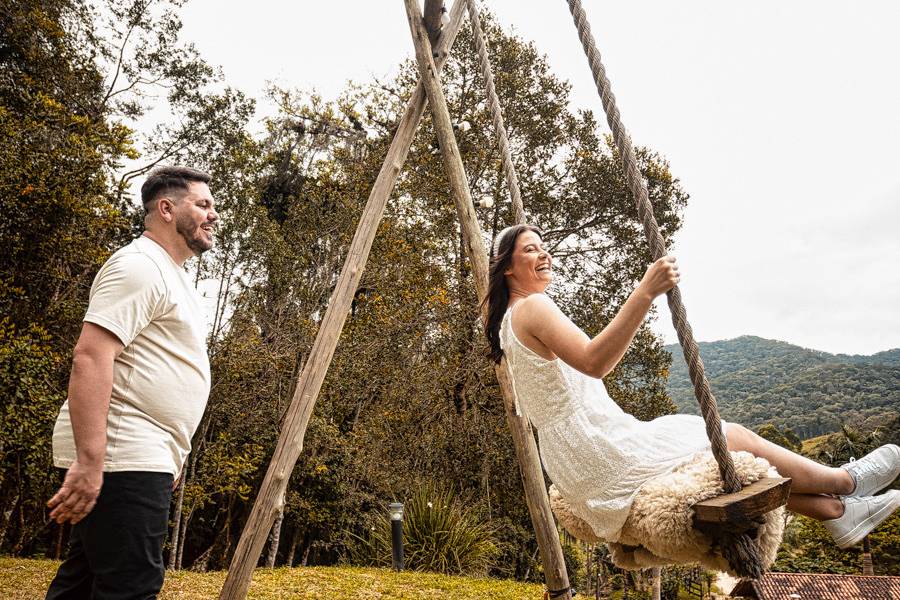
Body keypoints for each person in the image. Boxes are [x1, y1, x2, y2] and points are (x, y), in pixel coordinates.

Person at [484, 223, 900, 548]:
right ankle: (845, 481)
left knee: (714, 456)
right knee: (731, 438)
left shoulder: (507, 324)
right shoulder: (533, 307)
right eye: (531, 249)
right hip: (597, 448)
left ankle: (835, 512)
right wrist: (645, 292)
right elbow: (595, 362)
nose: (545, 254)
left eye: (544, 246)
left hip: (573, 458)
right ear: (507, 267)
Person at [45, 166, 218, 599]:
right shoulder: (139, 266)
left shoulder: (171, 273)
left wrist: (173, 451)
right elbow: (91, 356)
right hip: (122, 452)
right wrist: (91, 460)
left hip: (142, 452)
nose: (213, 214)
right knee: (131, 587)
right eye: (202, 204)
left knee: (84, 584)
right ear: (166, 209)